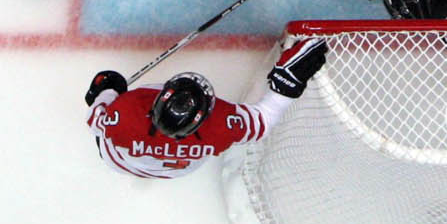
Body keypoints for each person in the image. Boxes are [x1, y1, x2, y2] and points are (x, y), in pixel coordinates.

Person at [84, 37, 327, 178]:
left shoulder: (126, 113)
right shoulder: (220, 126)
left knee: (108, 79)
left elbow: (94, 119)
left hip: (120, 162)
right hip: (181, 169)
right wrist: (287, 84)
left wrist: (108, 91)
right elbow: (261, 124)